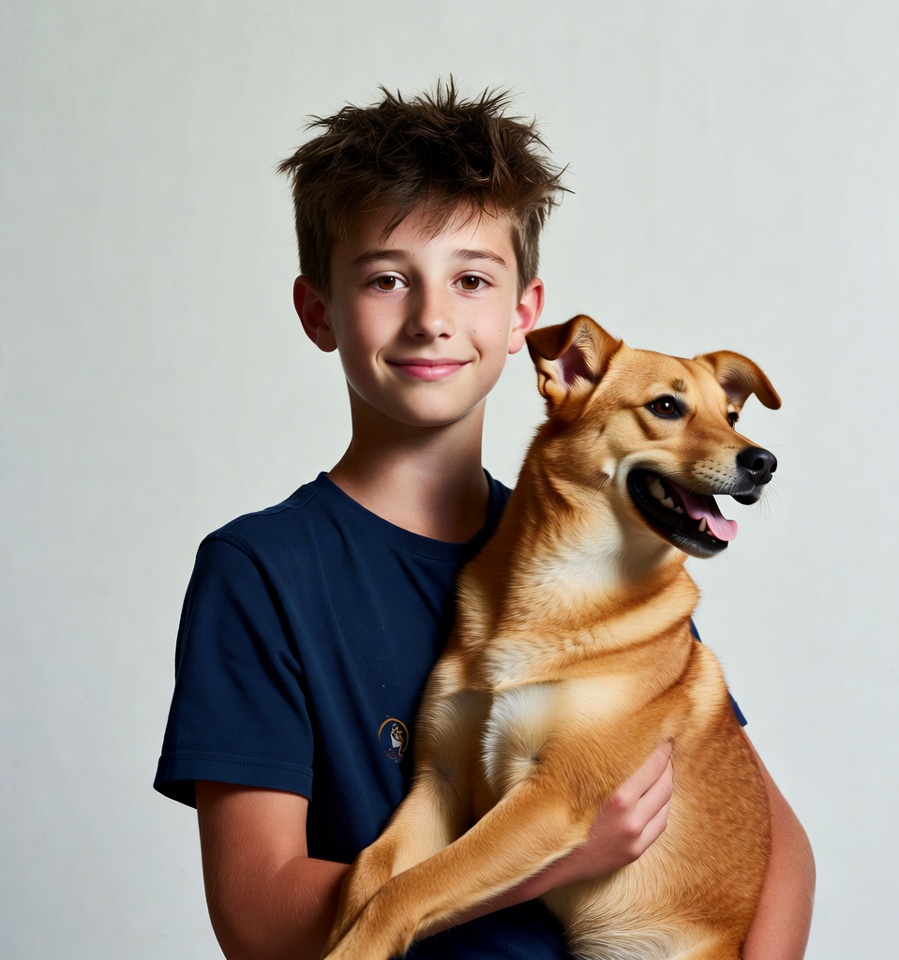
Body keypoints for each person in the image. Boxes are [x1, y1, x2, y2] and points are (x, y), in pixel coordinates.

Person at [155, 82, 814, 959]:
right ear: (319, 313)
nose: (432, 319)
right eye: (387, 279)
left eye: (470, 280)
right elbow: (257, 920)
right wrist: (541, 862)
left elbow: (779, 851)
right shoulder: (262, 571)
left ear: (522, 317)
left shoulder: (609, 552)